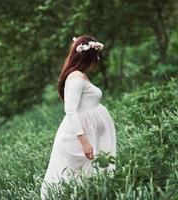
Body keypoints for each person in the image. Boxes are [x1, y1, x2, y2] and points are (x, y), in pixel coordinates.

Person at [40, 35, 117, 199]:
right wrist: (84, 142)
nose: (97, 58)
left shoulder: (81, 75)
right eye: (95, 54)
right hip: (78, 139)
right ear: (88, 55)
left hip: (88, 134)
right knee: (75, 180)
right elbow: (70, 110)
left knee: (85, 181)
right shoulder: (75, 78)